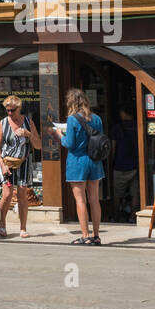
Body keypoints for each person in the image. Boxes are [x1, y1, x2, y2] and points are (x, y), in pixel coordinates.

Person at [62, 88, 105, 246]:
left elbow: (69, 143)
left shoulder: (72, 120)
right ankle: (96, 235)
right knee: (94, 200)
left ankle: (85, 235)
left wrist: (59, 135)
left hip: (78, 161)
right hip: (94, 161)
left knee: (80, 200)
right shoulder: (97, 119)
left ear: (70, 102)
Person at [0, 96, 41, 239]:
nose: (9, 113)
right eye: (7, 110)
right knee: (7, 194)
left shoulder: (28, 122)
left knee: (22, 194)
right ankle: (2, 223)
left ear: (19, 108)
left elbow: (38, 145)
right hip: (6, 162)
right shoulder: (3, 123)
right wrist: (2, 165)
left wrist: (28, 134)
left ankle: (23, 227)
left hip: (23, 162)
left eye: (12, 110)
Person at [110, 106, 139, 223]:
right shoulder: (138, 125)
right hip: (135, 165)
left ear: (124, 112)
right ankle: (132, 217)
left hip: (120, 165)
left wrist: (112, 161)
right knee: (135, 193)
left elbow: (113, 147)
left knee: (117, 194)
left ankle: (115, 216)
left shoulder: (117, 128)